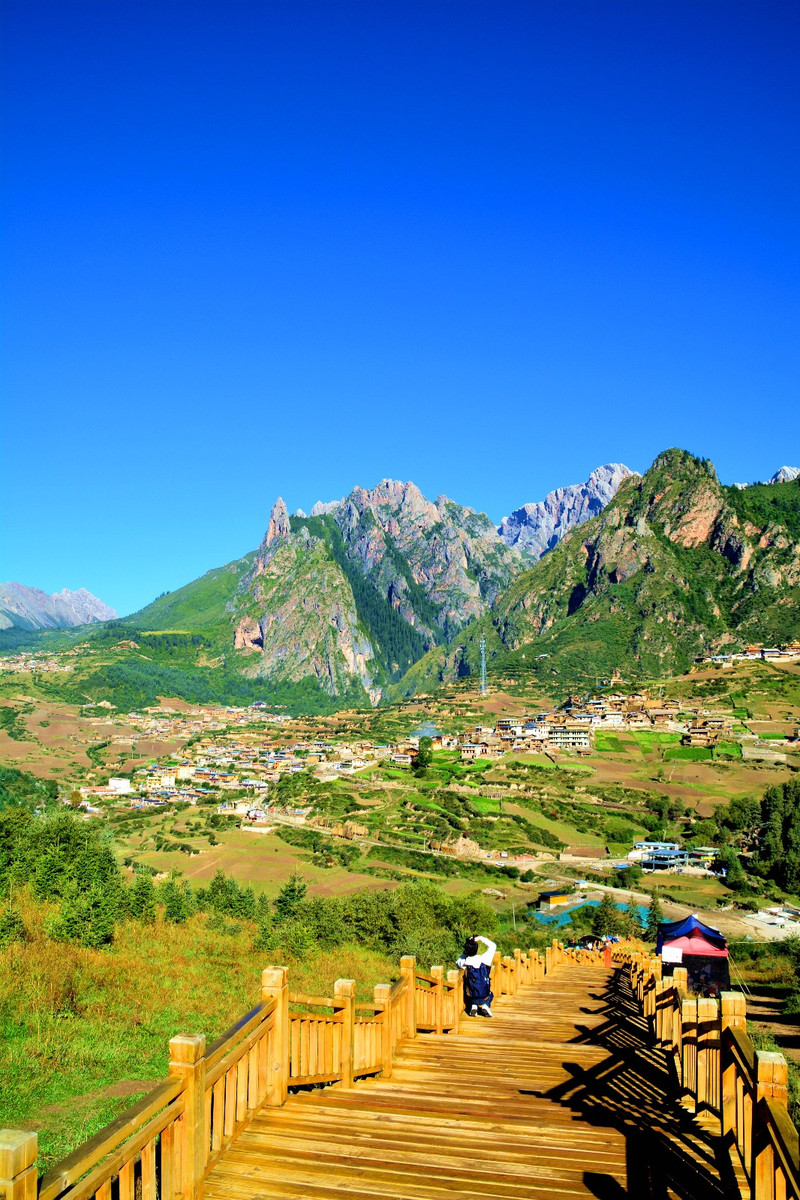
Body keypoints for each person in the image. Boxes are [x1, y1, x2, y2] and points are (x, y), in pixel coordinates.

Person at [457, 933, 496, 1017]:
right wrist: (480, 938)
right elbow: (493, 946)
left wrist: (465, 952)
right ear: (477, 949)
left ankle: (474, 1006)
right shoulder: (485, 959)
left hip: (471, 995)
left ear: (466, 951)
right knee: (491, 994)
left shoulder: (465, 962)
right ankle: (485, 1006)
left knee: (469, 991)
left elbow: (458, 962)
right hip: (485, 994)